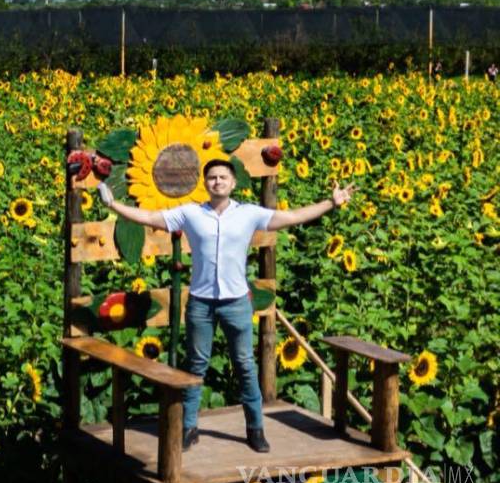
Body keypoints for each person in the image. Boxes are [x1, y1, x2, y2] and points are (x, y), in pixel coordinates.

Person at [96, 159, 355, 453]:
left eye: (222, 177)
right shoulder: (191, 213)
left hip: (236, 303)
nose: (217, 181)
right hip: (201, 303)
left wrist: (331, 203)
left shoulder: (248, 214)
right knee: (196, 366)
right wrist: (114, 205)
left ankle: (255, 428)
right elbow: (151, 217)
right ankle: (189, 427)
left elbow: (292, 217)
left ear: (233, 183)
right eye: (212, 178)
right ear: (205, 183)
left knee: (245, 365)